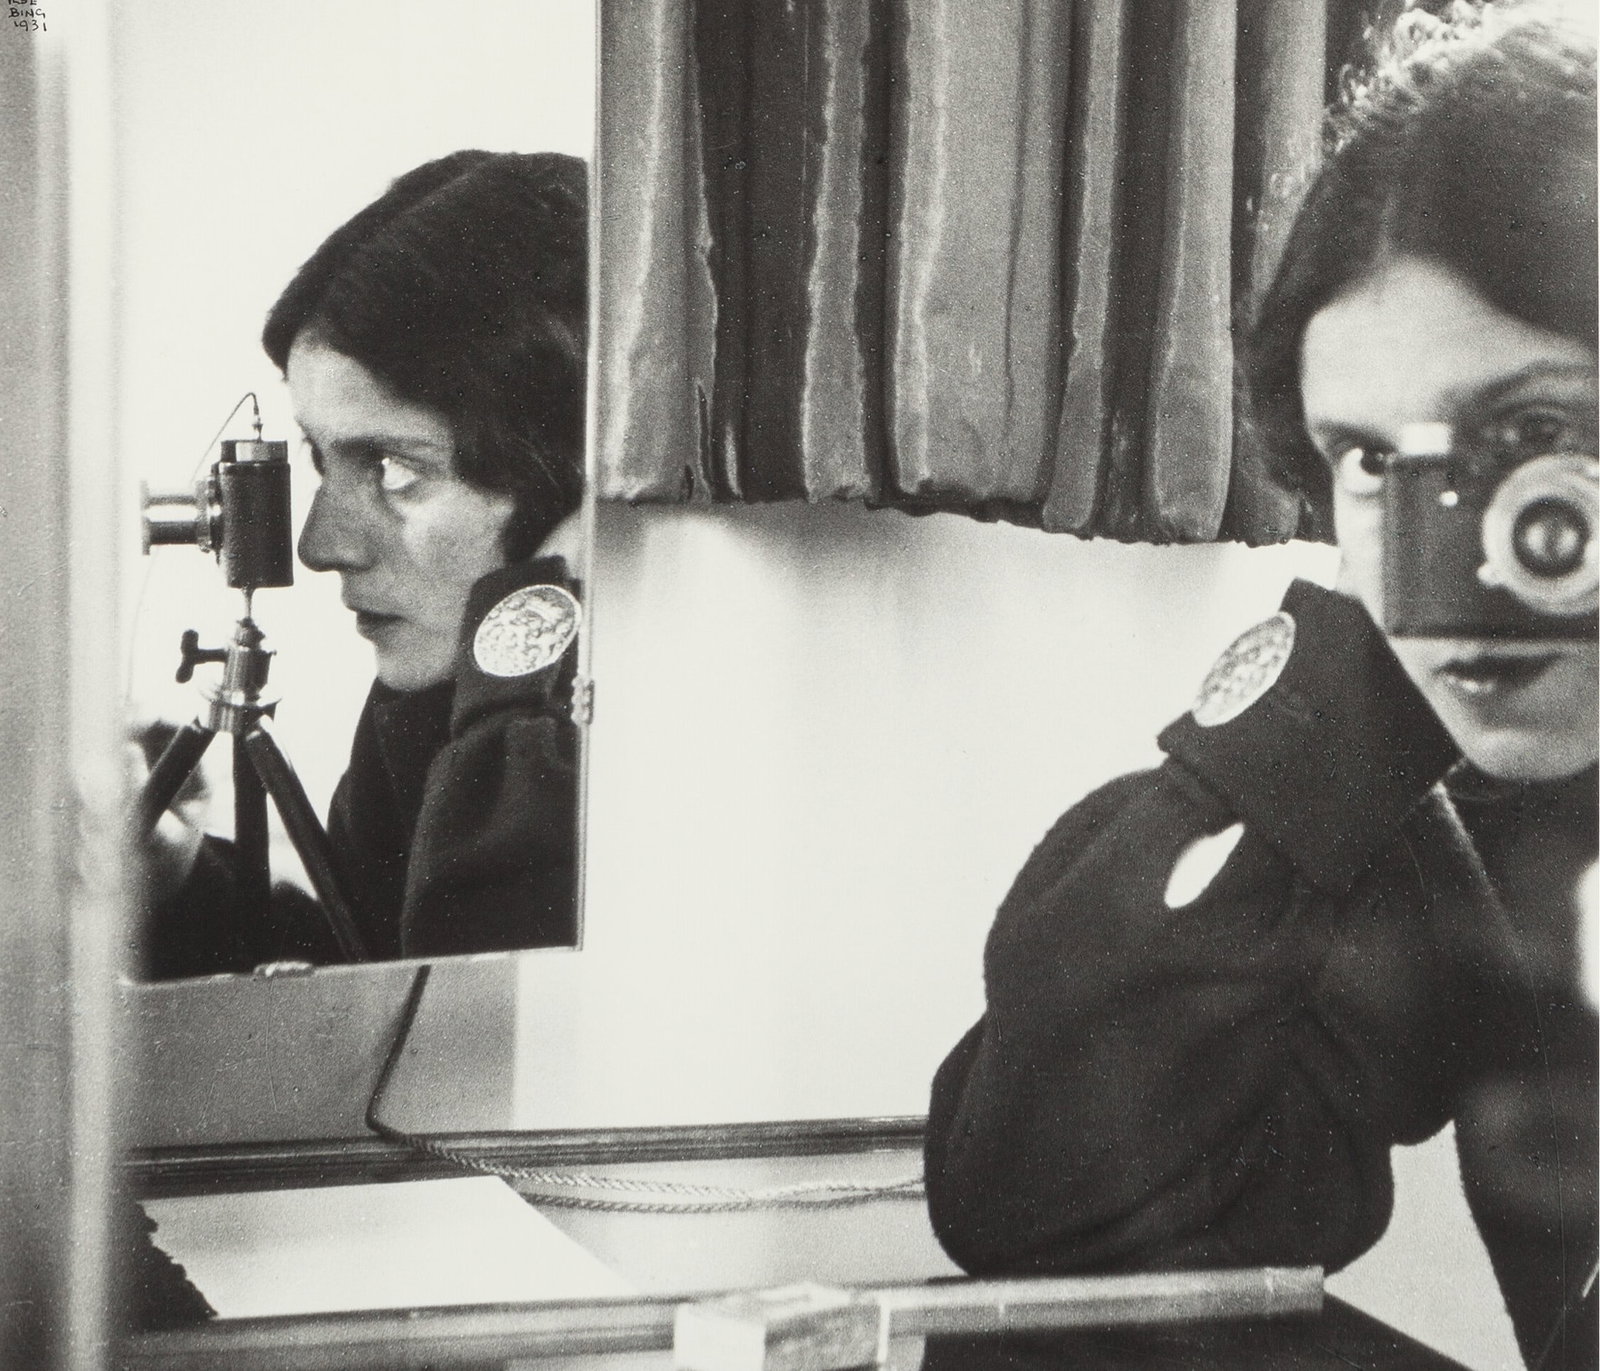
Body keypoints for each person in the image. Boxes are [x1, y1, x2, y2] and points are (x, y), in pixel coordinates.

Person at [923, 7, 1597, 1369]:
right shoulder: (1497, 799)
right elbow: (1054, 1213)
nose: (1433, 547)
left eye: (1529, 428)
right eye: (1366, 456)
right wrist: (1343, 712)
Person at [140, 150, 588, 975]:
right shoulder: (420, 703)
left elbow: (480, 1040)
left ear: (565, 490)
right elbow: (375, 975)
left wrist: (523, 637)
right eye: (322, 459)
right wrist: (179, 880)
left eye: (392, 466)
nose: (318, 545)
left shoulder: (615, 733)